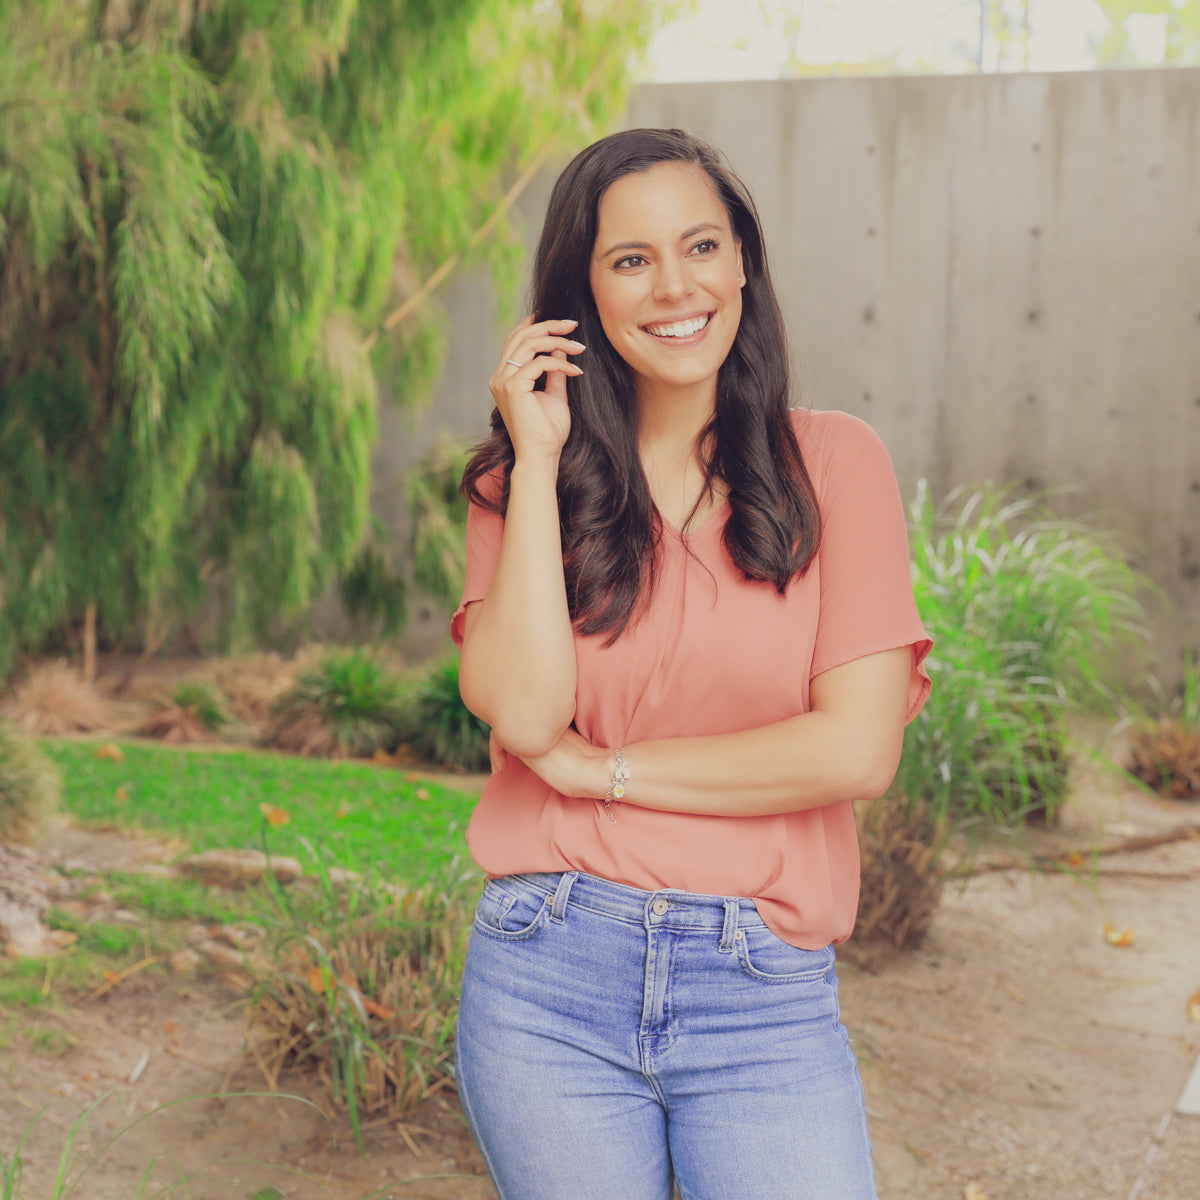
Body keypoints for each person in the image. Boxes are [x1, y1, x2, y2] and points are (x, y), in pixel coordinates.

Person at [450, 127, 931, 1200]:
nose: (676, 285)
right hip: (547, 975)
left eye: (701, 245)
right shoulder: (522, 489)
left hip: (758, 985)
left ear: (743, 263)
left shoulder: (837, 467)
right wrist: (535, 455)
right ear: (583, 295)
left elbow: (855, 749)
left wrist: (601, 772)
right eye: (631, 260)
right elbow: (526, 715)